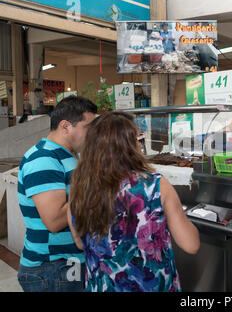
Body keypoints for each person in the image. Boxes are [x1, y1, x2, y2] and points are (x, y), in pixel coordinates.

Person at [67, 111, 200, 292]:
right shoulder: (156, 186)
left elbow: (80, 242)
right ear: (128, 146)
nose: (140, 144)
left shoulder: (78, 190)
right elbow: (191, 244)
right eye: (138, 139)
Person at [17, 95, 97, 292]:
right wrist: (98, 190)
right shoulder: (43, 159)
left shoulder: (70, 154)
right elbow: (54, 221)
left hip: (67, 264)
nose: (93, 134)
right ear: (65, 126)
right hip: (51, 268)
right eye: (88, 128)